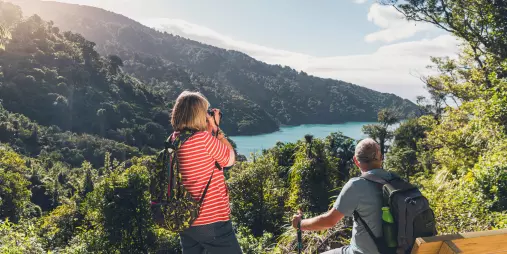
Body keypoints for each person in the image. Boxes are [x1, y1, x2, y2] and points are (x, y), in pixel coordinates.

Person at [291, 138, 395, 254]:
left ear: (356, 161)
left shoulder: (356, 186)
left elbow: (329, 221)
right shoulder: (397, 182)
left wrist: (300, 224)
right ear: (381, 158)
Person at [171, 91, 242, 254]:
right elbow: (230, 159)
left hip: (185, 218)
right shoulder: (203, 139)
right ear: (198, 115)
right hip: (212, 221)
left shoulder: (174, 139)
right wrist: (217, 130)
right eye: (205, 111)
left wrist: (209, 130)